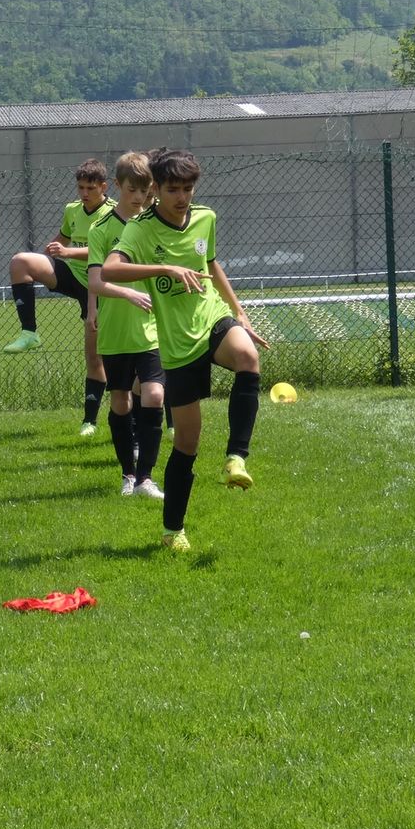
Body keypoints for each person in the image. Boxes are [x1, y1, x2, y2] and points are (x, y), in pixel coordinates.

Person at [102, 149, 267, 552]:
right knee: (186, 444)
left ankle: (235, 458)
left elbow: (210, 263)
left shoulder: (205, 217)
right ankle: (172, 530)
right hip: (177, 347)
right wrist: (165, 268)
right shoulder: (141, 229)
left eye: (188, 189)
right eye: (173, 189)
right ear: (156, 189)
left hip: (211, 318)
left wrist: (239, 313)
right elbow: (110, 269)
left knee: (248, 357)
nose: (182, 197)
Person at [2, 157, 117, 436]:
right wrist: (52, 251)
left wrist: (68, 252)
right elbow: (63, 239)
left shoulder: (114, 213)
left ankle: (90, 421)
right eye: (80, 187)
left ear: (104, 187)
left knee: (95, 359)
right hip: (72, 275)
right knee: (21, 262)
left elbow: (107, 253)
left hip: (99, 286)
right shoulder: (72, 210)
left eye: (90, 188)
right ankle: (29, 333)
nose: (84, 193)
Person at [86, 152, 165, 500]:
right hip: (116, 329)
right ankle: (128, 475)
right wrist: (127, 294)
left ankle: (146, 477)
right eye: (132, 189)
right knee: (120, 401)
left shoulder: (154, 224)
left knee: (154, 394)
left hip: (151, 328)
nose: (138, 196)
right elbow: (95, 281)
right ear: (117, 186)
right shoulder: (101, 229)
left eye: (144, 190)